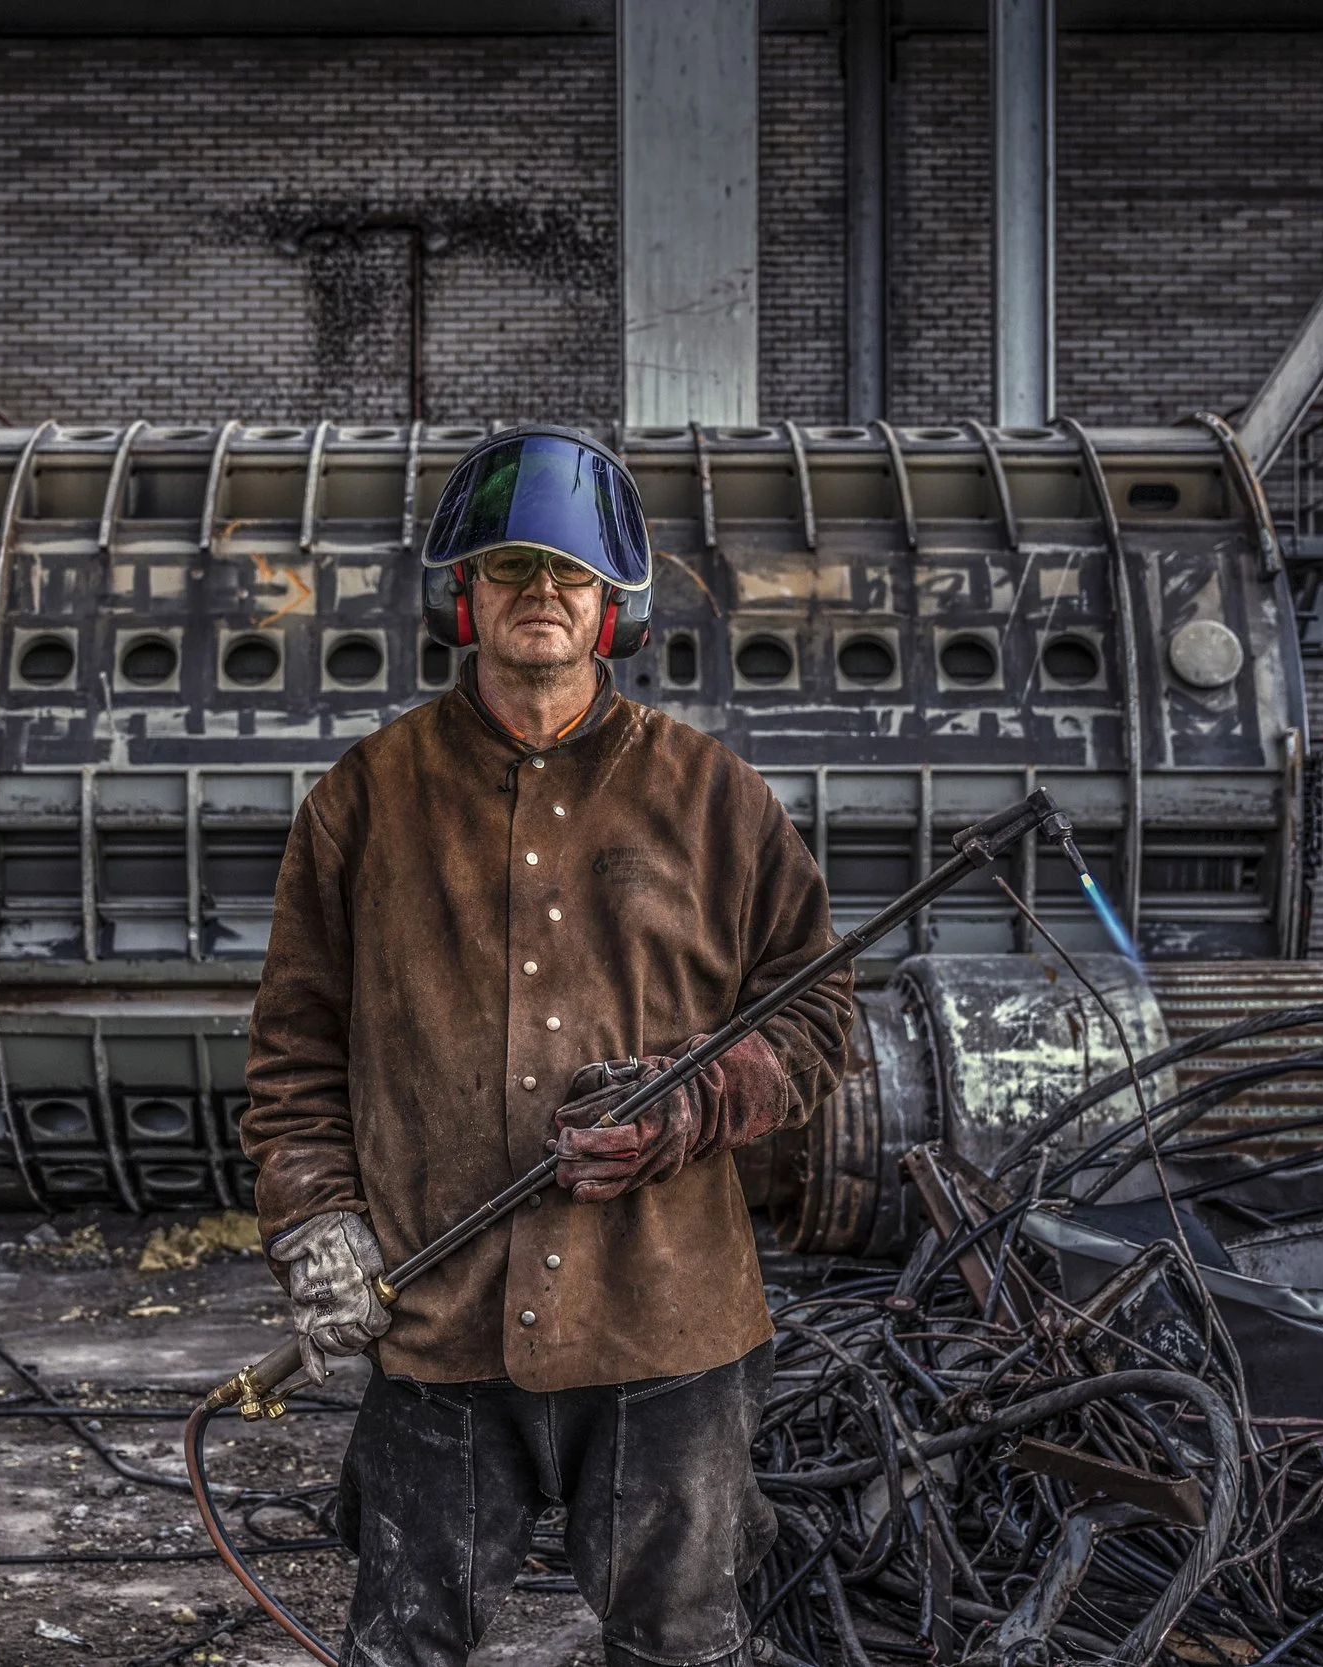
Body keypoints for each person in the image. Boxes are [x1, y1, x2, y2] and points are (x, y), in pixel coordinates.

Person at [240, 425, 857, 1667]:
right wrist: (313, 1218)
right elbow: (295, 1049)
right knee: (403, 1639)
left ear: (610, 607)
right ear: (462, 595)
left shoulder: (712, 796)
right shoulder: (364, 798)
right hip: (438, 1309)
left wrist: (692, 1104)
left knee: (680, 1639)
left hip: (664, 1320)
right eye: (512, 567)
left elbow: (819, 1010)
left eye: (570, 574)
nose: (541, 594)